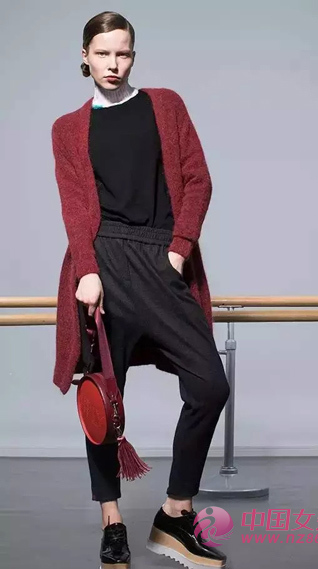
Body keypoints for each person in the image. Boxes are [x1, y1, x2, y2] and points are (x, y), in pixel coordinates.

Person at [51, 10, 230, 569]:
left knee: (209, 386)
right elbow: (76, 208)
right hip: (102, 265)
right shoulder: (67, 128)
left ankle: (175, 512)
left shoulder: (165, 105)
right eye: (102, 53)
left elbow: (198, 179)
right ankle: (112, 522)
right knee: (103, 400)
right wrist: (86, 270)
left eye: (122, 53)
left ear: (134, 55)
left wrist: (178, 249)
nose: (113, 63)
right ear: (84, 56)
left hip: (160, 259)